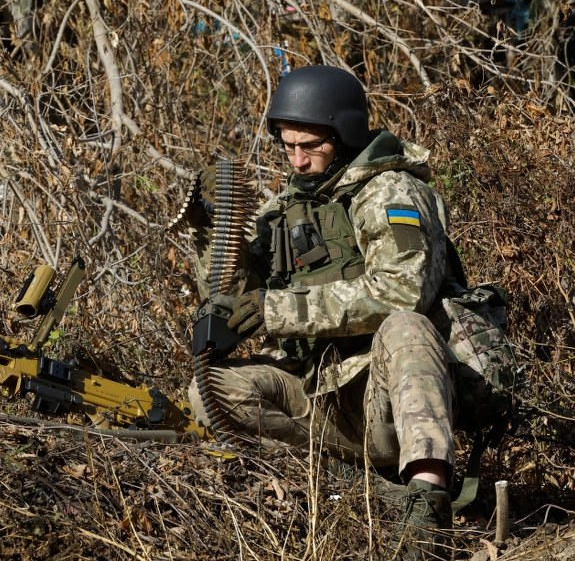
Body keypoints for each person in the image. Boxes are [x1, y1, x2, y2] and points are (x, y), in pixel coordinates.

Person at [187, 65, 457, 560]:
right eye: (288, 147)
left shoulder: (389, 191)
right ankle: (360, 489)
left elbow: (402, 291)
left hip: (383, 401)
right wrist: (213, 228)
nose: (298, 161)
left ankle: (428, 503)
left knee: (408, 328)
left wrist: (281, 311)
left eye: (310, 146)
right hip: (316, 399)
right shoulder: (289, 205)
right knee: (211, 393)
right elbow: (235, 290)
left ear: (344, 134)